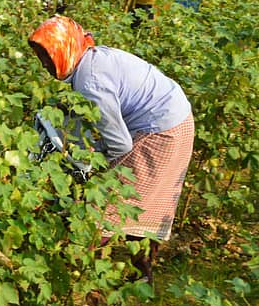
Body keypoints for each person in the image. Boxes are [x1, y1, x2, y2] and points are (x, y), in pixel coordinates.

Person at [27, 15, 194, 284]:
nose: (45, 64)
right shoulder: (91, 58)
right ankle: (141, 275)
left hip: (162, 131)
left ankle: (80, 281)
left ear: (65, 48)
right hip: (174, 117)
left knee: (103, 205)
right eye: (41, 58)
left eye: (49, 55)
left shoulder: (90, 82)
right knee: (143, 203)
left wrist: (89, 162)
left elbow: (120, 144)